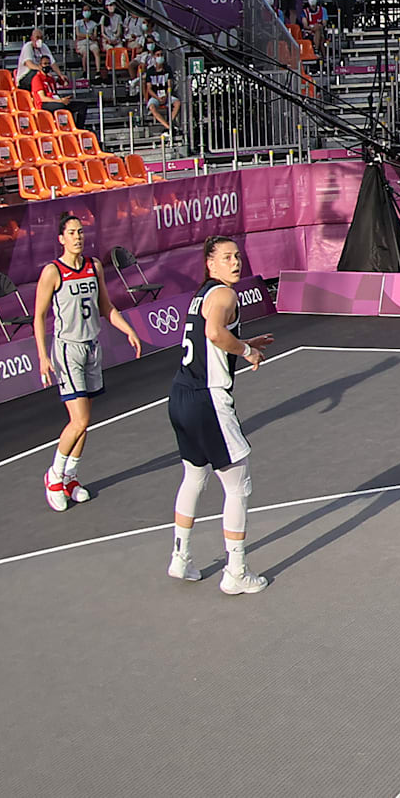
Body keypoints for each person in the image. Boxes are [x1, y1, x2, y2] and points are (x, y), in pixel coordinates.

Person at [166, 237, 274, 594]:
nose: (235, 262)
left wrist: (244, 342)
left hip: (181, 394)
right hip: (207, 399)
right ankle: (236, 571)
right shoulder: (226, 295)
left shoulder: (203, 296)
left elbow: (210, 334)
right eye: (226, 257)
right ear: (210, 264)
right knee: (238, 484)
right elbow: (214, 333)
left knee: (194, 477)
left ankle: (180, 558)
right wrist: (245, 351)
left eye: (237, 256)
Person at [33, 212, 145, 510]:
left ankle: (70, 477)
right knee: (78, 419)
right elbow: (39, 315)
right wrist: (43, 356)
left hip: (92, 347)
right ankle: (54, 475)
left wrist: (128, 330)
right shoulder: (53, 272)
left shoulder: (93, 266)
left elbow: (106, 306)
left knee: (85, 422)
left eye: (80, 232)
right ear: (61, 238)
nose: (77, 237)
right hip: (68, 349)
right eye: (71, 232)